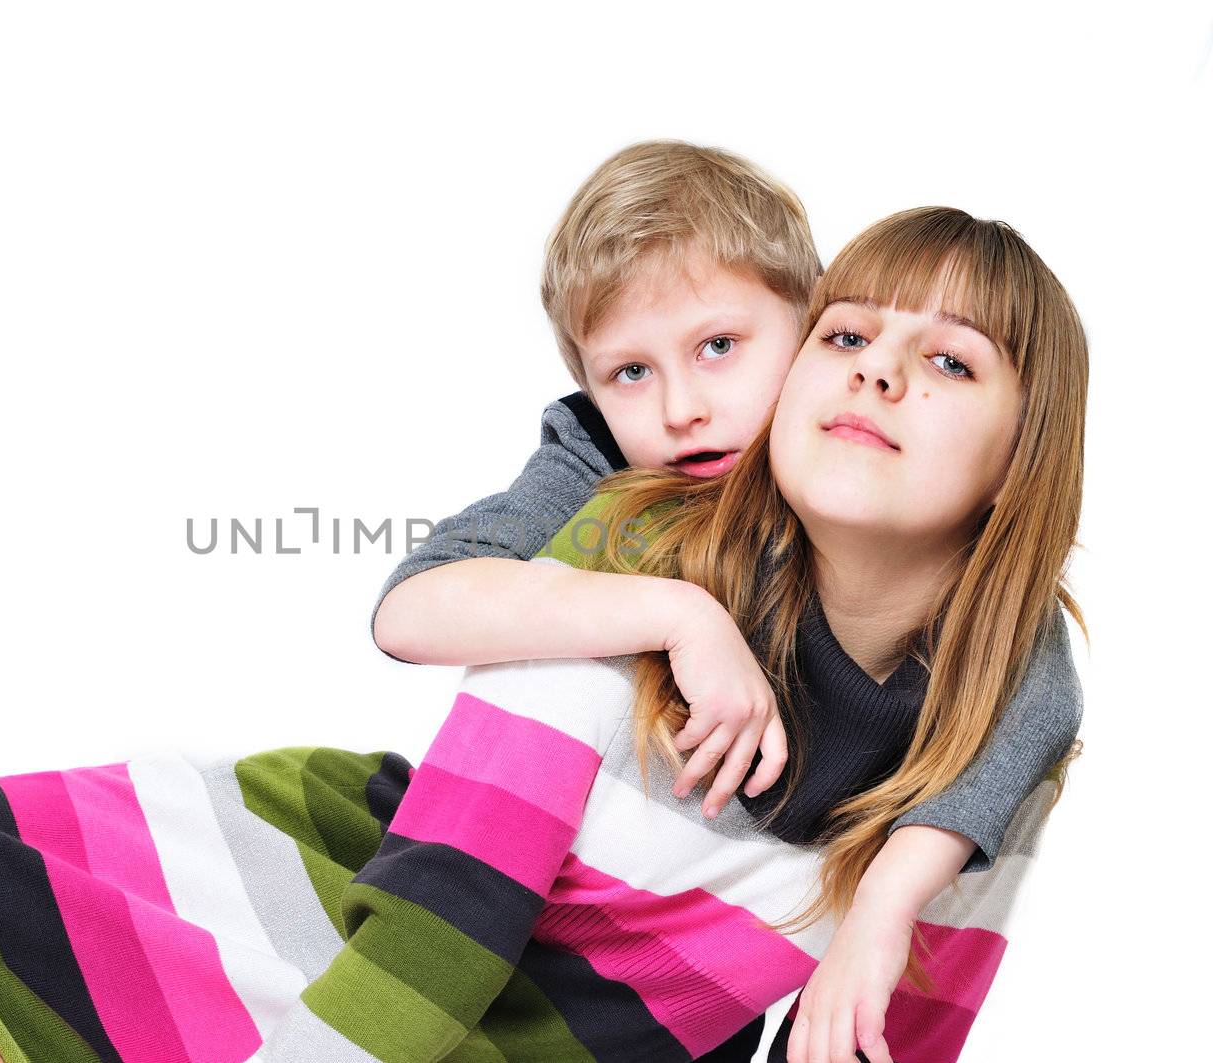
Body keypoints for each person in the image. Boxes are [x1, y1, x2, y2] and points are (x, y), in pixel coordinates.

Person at [0, 205, 1087, 1063]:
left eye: (945, 359)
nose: (878, 371)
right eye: (845, 335)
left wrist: (894, 891)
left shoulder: (991, 742)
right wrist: (679, 612)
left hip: (417, 1036)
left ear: (1026, 451)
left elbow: (899, 1030)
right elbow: (444, 894)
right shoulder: (617, 555)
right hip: (328, 915)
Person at [372, 142, 1083, 1057]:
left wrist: (884, 906)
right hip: (455, 894)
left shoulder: (944, 577)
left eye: (719, 347)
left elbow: (1035, 694)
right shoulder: (612, 475)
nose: (681, 410)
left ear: (802, 327)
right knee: (568, 591)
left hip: (667, 977)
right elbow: (413, 607)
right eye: (630, 372)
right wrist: (682, 615)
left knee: (982, 803)